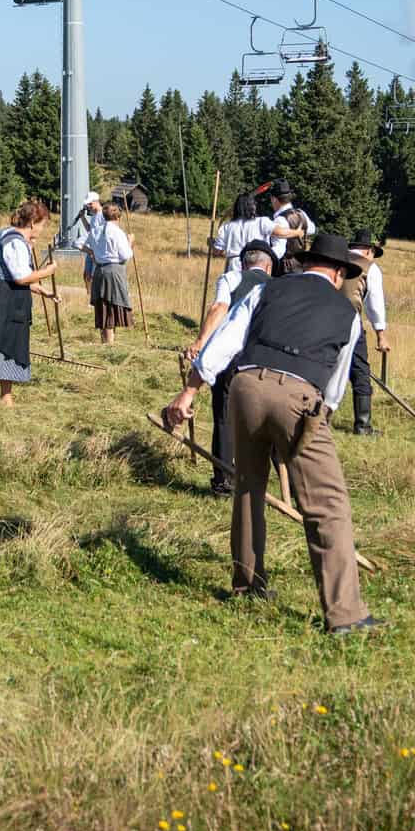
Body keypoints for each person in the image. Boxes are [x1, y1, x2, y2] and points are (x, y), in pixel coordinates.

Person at [163, 233, 382, 635]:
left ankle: (248, 586)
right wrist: (321, 418)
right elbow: (335, 384)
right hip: (298, 396)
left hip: (244, 387)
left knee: (247, 489)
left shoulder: (267, 289)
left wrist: (189, 390)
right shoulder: (347, 313)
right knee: (327, 505)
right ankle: (345, 615)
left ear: (304, 264)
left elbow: (224, 341)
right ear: (337, 273)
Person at [185, 239, 277, 496]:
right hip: (262, 360)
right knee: (262, 419)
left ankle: (224, 478)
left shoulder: (230, 278)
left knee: (224, 416)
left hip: (230, 357)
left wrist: (201, 342)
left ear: (243, 262)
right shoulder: (277, 287)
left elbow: (219, 308)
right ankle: (264, 475)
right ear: (268, 268)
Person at [0, 198, 59, 407]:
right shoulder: (14, 242)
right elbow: (20, 278)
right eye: (42, 225)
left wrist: (43, 290)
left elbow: (15, 277)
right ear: (33, 222)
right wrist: (46, 271)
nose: (41, 230)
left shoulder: (7, 235)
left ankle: (6, 398)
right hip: (2, 301)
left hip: (11, 300)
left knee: (11, 348)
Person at [342, 229, 392, 436]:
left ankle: (316, 420)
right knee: (360, 372)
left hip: (319, 319)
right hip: (349, 323)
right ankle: (363, 425)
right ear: (370, 250)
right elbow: (375, 306)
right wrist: (381, 335)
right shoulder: (370, 268)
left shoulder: (333, 259)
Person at [88, 202, 136, 344]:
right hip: (114, 272)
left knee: (103, 307)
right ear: (118, 217)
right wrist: (130, 242)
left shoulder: (95, 230)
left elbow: (81, 244)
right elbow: (126, 255)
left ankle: (107, 342)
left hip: (99, 270)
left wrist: (94, 254)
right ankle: (109, 345)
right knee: (110, 307)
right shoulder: (117, 232)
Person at [265, 180, 318, 271]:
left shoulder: (279, 220)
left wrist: (264, 257)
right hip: (303, 266)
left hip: (286, 269)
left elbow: (279, 250)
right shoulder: (301, 213)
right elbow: (312, 229)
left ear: (274, 199)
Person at [70, 191, 107, 293]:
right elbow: (90, 230)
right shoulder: (94, 216)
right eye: (88, 204)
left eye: (90, 204)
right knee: (86, 275)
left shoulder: (103, 215)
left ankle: (95, 297)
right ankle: (89, 295)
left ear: (96, 202)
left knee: (95, 276)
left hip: (98, 250)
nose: (89, 206)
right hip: (91, 249)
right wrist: (82, 217)